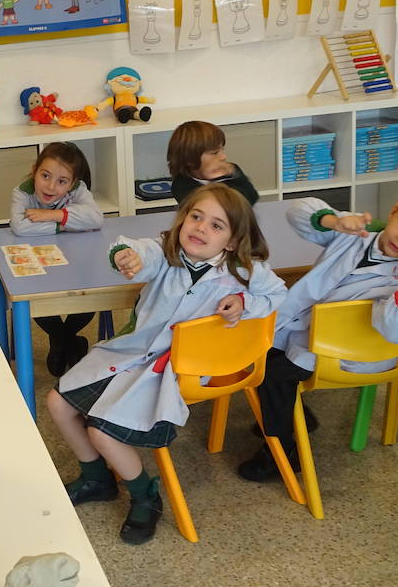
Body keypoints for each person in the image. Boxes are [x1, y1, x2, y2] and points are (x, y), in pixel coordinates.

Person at [47, 184, 285, 544]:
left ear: (233, 242)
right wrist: (127, 255)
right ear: (182, 219)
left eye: (217, 226)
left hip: (176, 372)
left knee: (101, 430)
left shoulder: (244, 271)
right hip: (133, 352)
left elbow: (277, 294)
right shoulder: (165, 251)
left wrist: (242, 301)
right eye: (196, 216)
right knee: (57, 404)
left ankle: (146, 494)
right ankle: (96, 478)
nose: (201, 228)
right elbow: (137, 250)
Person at [237, 182, 398, 481]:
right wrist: (334, 220)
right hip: (312, 339)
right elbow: (297, 211)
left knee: (270, 371)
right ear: (394, 211)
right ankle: (293, 415)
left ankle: (280, 453)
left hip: (357, 356)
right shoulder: (354, 237)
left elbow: (397, 333)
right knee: (260, 348)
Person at [10, 142, 102, 375]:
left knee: (88, 299)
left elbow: (95, 218)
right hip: (37, 264)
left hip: (76, 261)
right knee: (38, 302)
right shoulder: (22, 192)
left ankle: (62, 340)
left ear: (72, 184)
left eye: (62, 181)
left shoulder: (79, 190)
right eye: (45, 176)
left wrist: (53, 214)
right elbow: (20, 227)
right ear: (35, 171)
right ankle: (66, 340)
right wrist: (66, 225)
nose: (51, 186)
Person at [167, 120, 259, 205]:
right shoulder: (180, 185)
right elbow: (215, 209)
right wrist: (214, 182)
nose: (223, 157)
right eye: (214, 153)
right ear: (190, 160)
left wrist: (233, 175)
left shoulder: (230, 169)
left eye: (222, 149)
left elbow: (252, 197)